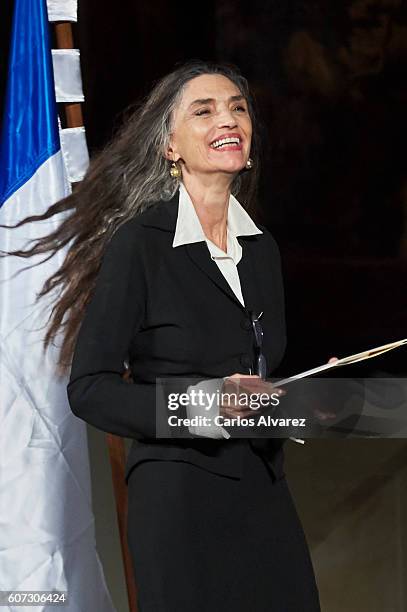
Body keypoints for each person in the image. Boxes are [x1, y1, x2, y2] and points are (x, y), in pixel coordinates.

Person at [2, 60, 322, 611]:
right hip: (179, 506)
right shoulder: (140, 245)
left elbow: (254, 378)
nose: (229, 118)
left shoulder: (262, 247)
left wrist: (298, 400)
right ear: (170, 146)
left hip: (265, 497)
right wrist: (202, 406)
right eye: (205, 110)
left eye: (238, 108)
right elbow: (91, 388)